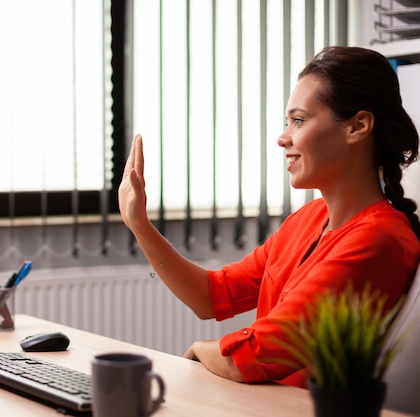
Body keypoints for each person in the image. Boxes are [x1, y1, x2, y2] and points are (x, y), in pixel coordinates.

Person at [118, 46, 420, 388]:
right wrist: (139, 226)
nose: (283, 137)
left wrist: (203, 349)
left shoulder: (379, 240)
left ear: (358, 126)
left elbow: (253, 357)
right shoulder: (308, 219)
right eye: (286, 122)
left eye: (299, 120)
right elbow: (211, 295)